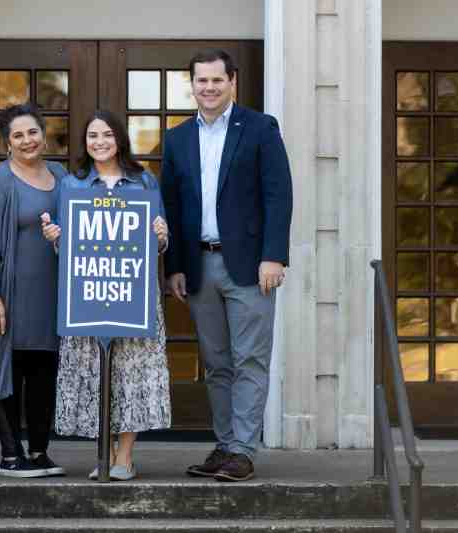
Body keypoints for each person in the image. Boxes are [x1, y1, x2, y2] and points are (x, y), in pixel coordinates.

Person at [161, 49, 293, 482]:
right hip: (199, 264)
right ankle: (223, 446)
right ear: (192, 84)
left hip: (252, 266)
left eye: (218, 80)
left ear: (232, 81)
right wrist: (176, 266)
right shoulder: (177, 138)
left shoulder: (259, 128)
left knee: (250, 359)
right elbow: (174, 205)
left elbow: (278, 194)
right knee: (216, 362)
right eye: (202, 81)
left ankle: (242, 449)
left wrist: (274, 255)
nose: (210, 88)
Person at [42, 110, 171, 481]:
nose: (100, 142)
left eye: (107, 135)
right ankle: (106, 453)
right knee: (93, 374)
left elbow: (159, 241)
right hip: (88, 295)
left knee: (131, 376)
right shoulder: (73, 184)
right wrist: (56, 238)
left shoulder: (144, 182)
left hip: (134, 295)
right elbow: (68, 243)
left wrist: (161, 236)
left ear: (120, 139)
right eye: (92, 135)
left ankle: (124, 457)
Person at [0, 103, 67, 478]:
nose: (27, 140)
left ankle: (39, 452)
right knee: (8, 370)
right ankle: (11, 455)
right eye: (18, 135)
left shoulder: (60, 175)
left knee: (43, 373)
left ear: (43, 134)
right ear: (8, 144)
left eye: (32, 132)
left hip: (52, 297)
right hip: (9, 296)